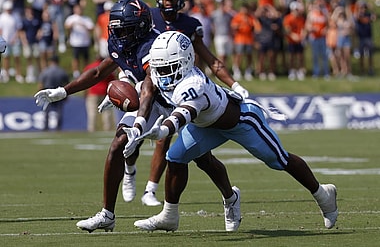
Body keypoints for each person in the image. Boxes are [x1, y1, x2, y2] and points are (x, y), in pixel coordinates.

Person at [34, 0, 241, 233]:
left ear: (141, 26)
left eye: (125, 29)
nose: (119, 35)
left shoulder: (151, 46)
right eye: (116, 29)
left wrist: (140, 123)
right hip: (150, 100)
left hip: (179, 99)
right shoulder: (123, 41)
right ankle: (107, 214)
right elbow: (100, 72)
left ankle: (230, 197)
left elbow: (149, 88)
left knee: (202, 158)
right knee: (118, 144)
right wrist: (63, 91)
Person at [129, 31, 338, 232]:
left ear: (185, 61)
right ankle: (170, 215)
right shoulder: (159, 73)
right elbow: (147, 92)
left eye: (169, 67)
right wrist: (137, 123)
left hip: (240, 121)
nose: (163, 74)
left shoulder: (193, 83)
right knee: (175, 158)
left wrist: (163, 130)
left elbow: (184, 113)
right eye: (160, 68)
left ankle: (323, 194)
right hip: (206, 126)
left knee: (279, 160)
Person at [132, 0, 249, 207]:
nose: (168, 0)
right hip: (154, 85)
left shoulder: (190, 24)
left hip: (183, 89)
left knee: (201, 157)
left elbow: (211, 60)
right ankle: (149, 188)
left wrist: (235, 85)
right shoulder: (149, 18)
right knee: (148, 135)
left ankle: (229, 196)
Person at [83, 56, 116, 132]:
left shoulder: (89, 67)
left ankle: (91, 129)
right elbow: (113, 81)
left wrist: (85, 93)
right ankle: (108, 129)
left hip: (93, 92)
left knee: (92, 113)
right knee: (107, 113)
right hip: (105, 92)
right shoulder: (108, 68)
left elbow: (85, 81)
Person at [37, 55, 69, 130]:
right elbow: (67, 83)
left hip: (48, 93)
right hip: (59, 93)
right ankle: (58, 128)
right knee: (59, 112)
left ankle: (46, 127)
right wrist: (67, 95)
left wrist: (40, 92)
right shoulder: (62, 71)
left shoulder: (46, 71)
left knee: (46, 112)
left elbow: (41, 84)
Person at [64, 4, 95, 78]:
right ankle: (76, 72)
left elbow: (91, 28)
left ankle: (86, 71)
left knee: (86, 58)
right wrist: (72, 25)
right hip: (75, 42)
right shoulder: (71, 18)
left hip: (85, 42)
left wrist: (83, 25)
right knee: (75, 58)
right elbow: (66, 26)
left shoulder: (86, 19)